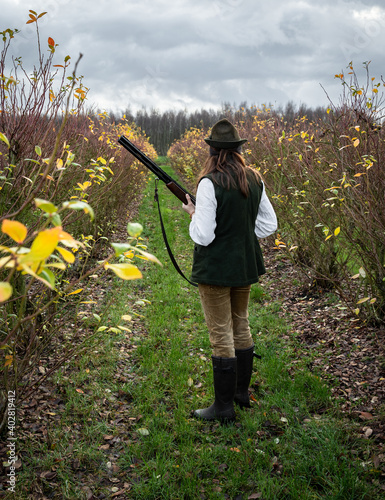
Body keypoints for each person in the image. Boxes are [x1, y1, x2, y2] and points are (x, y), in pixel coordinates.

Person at [182, 118, 277, 422]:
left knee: (221, 334)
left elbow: (204, 235)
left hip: (215, 271)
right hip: (244, 265)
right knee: (241, 324)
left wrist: (193, 214)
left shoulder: (209, 183)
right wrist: (240, 232)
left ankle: (223, 408)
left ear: (212, 150)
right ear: (237, 149)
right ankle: (239, 394)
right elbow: (268, 225)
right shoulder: (254, 178)